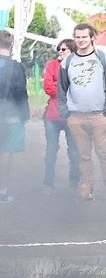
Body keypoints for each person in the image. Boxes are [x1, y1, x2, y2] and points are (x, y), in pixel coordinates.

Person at [59, 23, 106, 201]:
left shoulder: (102, 58)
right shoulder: (67, 62)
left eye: (84, 37)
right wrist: (66, 112)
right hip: (76, 117)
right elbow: (62, 89)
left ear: (92, 37)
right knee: (83, 155)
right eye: (77, 37)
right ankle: (87, 186)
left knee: (104, 153)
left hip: (99, 115)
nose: (80, 40)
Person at [0, 30, 30, 203]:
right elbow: (21, 93)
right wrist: (24, 115)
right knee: (6, 152)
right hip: (10, 116)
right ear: (11, 45)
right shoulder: (16, 67)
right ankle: (2, 190)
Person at [42, 39, 80, 196]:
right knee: (51, 151)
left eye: (64, 49)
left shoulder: (78, 66)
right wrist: (66, 88)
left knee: (74, 152)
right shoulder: (52, 65)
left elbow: (80, 88)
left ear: (72, 51)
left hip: (72, 116)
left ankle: (74, 183)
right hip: (53, 116)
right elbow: (48, 87)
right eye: (59, 49)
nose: (60, 51)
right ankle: (48, 183)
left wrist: (59, 86)